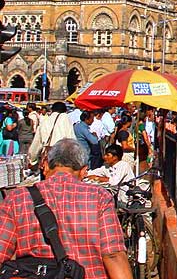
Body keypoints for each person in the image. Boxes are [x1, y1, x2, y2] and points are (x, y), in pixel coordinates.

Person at [0, 138, 133, 279]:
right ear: (83, 171)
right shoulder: (99, 197)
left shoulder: (17, 198)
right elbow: (113, 255)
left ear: (45, 166)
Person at [28, 101, 76, 168]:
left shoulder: (45, 122)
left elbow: (36, 143)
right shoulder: (66, 119)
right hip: (63, 159)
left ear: (52, 110)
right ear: (65, 111)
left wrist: (32, 160)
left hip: (48, 158)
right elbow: (72, 140)